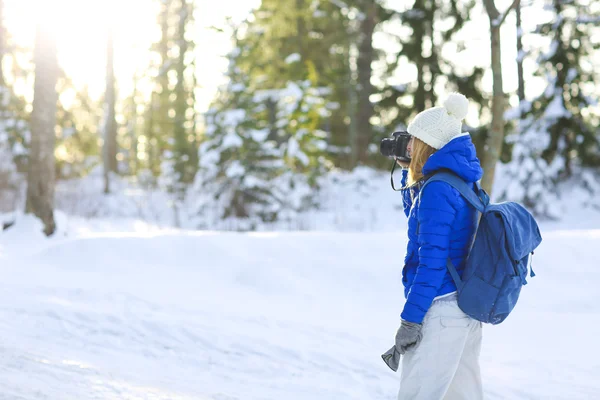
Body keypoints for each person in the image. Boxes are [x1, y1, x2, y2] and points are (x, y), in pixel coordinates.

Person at [383, 93, 484, 400]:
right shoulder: (457, 180)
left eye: (412, 139)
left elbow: (431, 263)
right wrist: (408, 170)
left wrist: (410, 321)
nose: (407, 145)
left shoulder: (437, 189)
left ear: (427, 142)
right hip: (465, 309)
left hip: (440, 312)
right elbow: (422, 222)